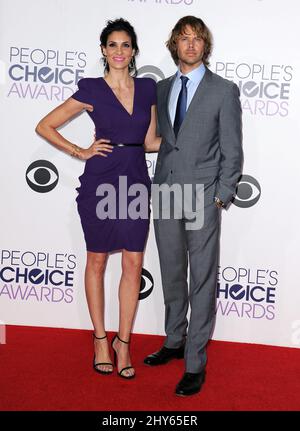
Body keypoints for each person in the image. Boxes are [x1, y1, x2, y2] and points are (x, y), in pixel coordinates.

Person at [36, 18, 160, 379]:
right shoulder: (91, 88)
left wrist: (192, 146)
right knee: (97, 262)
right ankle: (101, 339)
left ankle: (124, 342)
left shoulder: (149, 88)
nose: (119, 51)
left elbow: (151, 141)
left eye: (125, 44)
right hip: (100, 182)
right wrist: (79, 150)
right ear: (103, 50)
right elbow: (45, 125)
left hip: (135, 181)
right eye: (112, 44)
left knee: (134, 264)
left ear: (133, 51)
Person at [144, 16, 243, 396]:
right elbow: (163, 140)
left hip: (203, 195)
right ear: (174, 44)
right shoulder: (163, 87)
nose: (190, 44)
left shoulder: (223, 90)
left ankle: (195, 362)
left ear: (205, 45)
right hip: (166, 191)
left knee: (201, 278)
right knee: (171, 272)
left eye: (197, 38)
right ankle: (174, 340)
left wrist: (221, 196)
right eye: (183, 38)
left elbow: (232, 151)